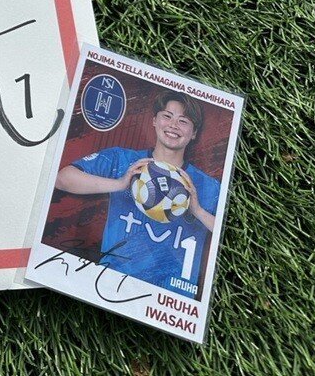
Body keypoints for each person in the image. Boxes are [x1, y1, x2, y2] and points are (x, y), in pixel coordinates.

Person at [54, 90, 220, 296]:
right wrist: (120, 184)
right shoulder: (122, 160)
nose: (173, 125)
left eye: (183, 121)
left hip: (169, 299)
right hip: (112, 284)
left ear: (194, 133)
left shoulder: (209, 186)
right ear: (154, 121)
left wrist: (197, 210)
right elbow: (63, 179)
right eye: (167, 116)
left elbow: (228, 235)